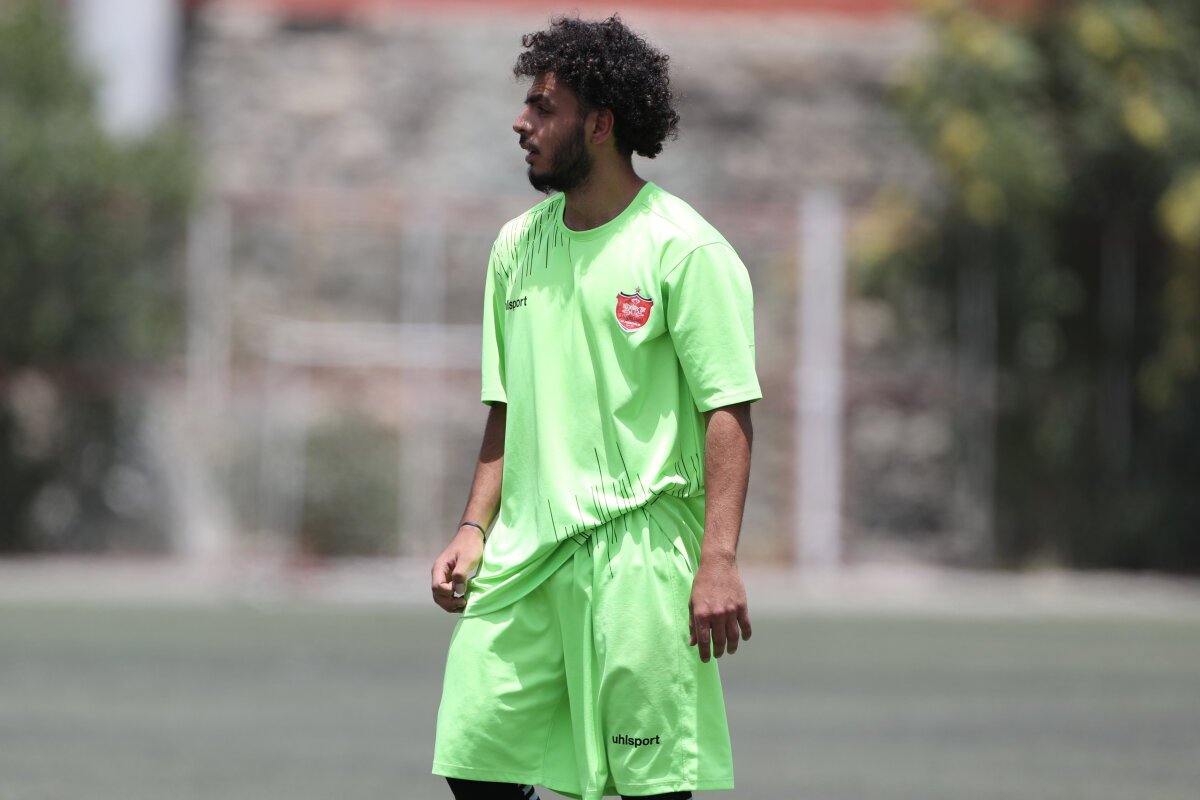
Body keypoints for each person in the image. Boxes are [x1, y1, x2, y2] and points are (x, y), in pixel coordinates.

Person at [430, 15, 761, 800]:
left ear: (602, 125)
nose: (521, 123)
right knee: (475, 767)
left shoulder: (685, 250)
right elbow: (507, 404)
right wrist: (473, 526)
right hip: (523, 557)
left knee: (648, 789)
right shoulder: (516, 248)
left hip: (639, 560)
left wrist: (717, 560)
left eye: (543, 107)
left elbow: (727, 411)